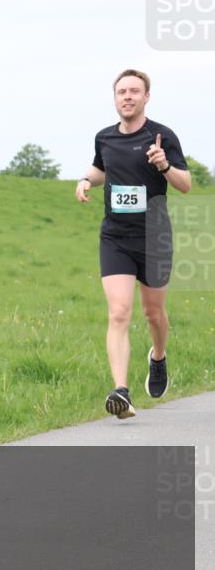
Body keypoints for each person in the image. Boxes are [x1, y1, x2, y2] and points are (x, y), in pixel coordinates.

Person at [75, 69, 191, 419]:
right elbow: (102, 168)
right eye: (121, 91)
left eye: (134, 91)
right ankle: (121, 393)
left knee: (153, 313)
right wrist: (85, 180)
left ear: (146, 97)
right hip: (116, 237)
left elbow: (185, 184)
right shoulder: (105, 138)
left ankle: (158, 357)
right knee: (119, 312)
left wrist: (164, 164)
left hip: (154, 237)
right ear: (115, 98)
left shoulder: (162, 136)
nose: (127, 96)